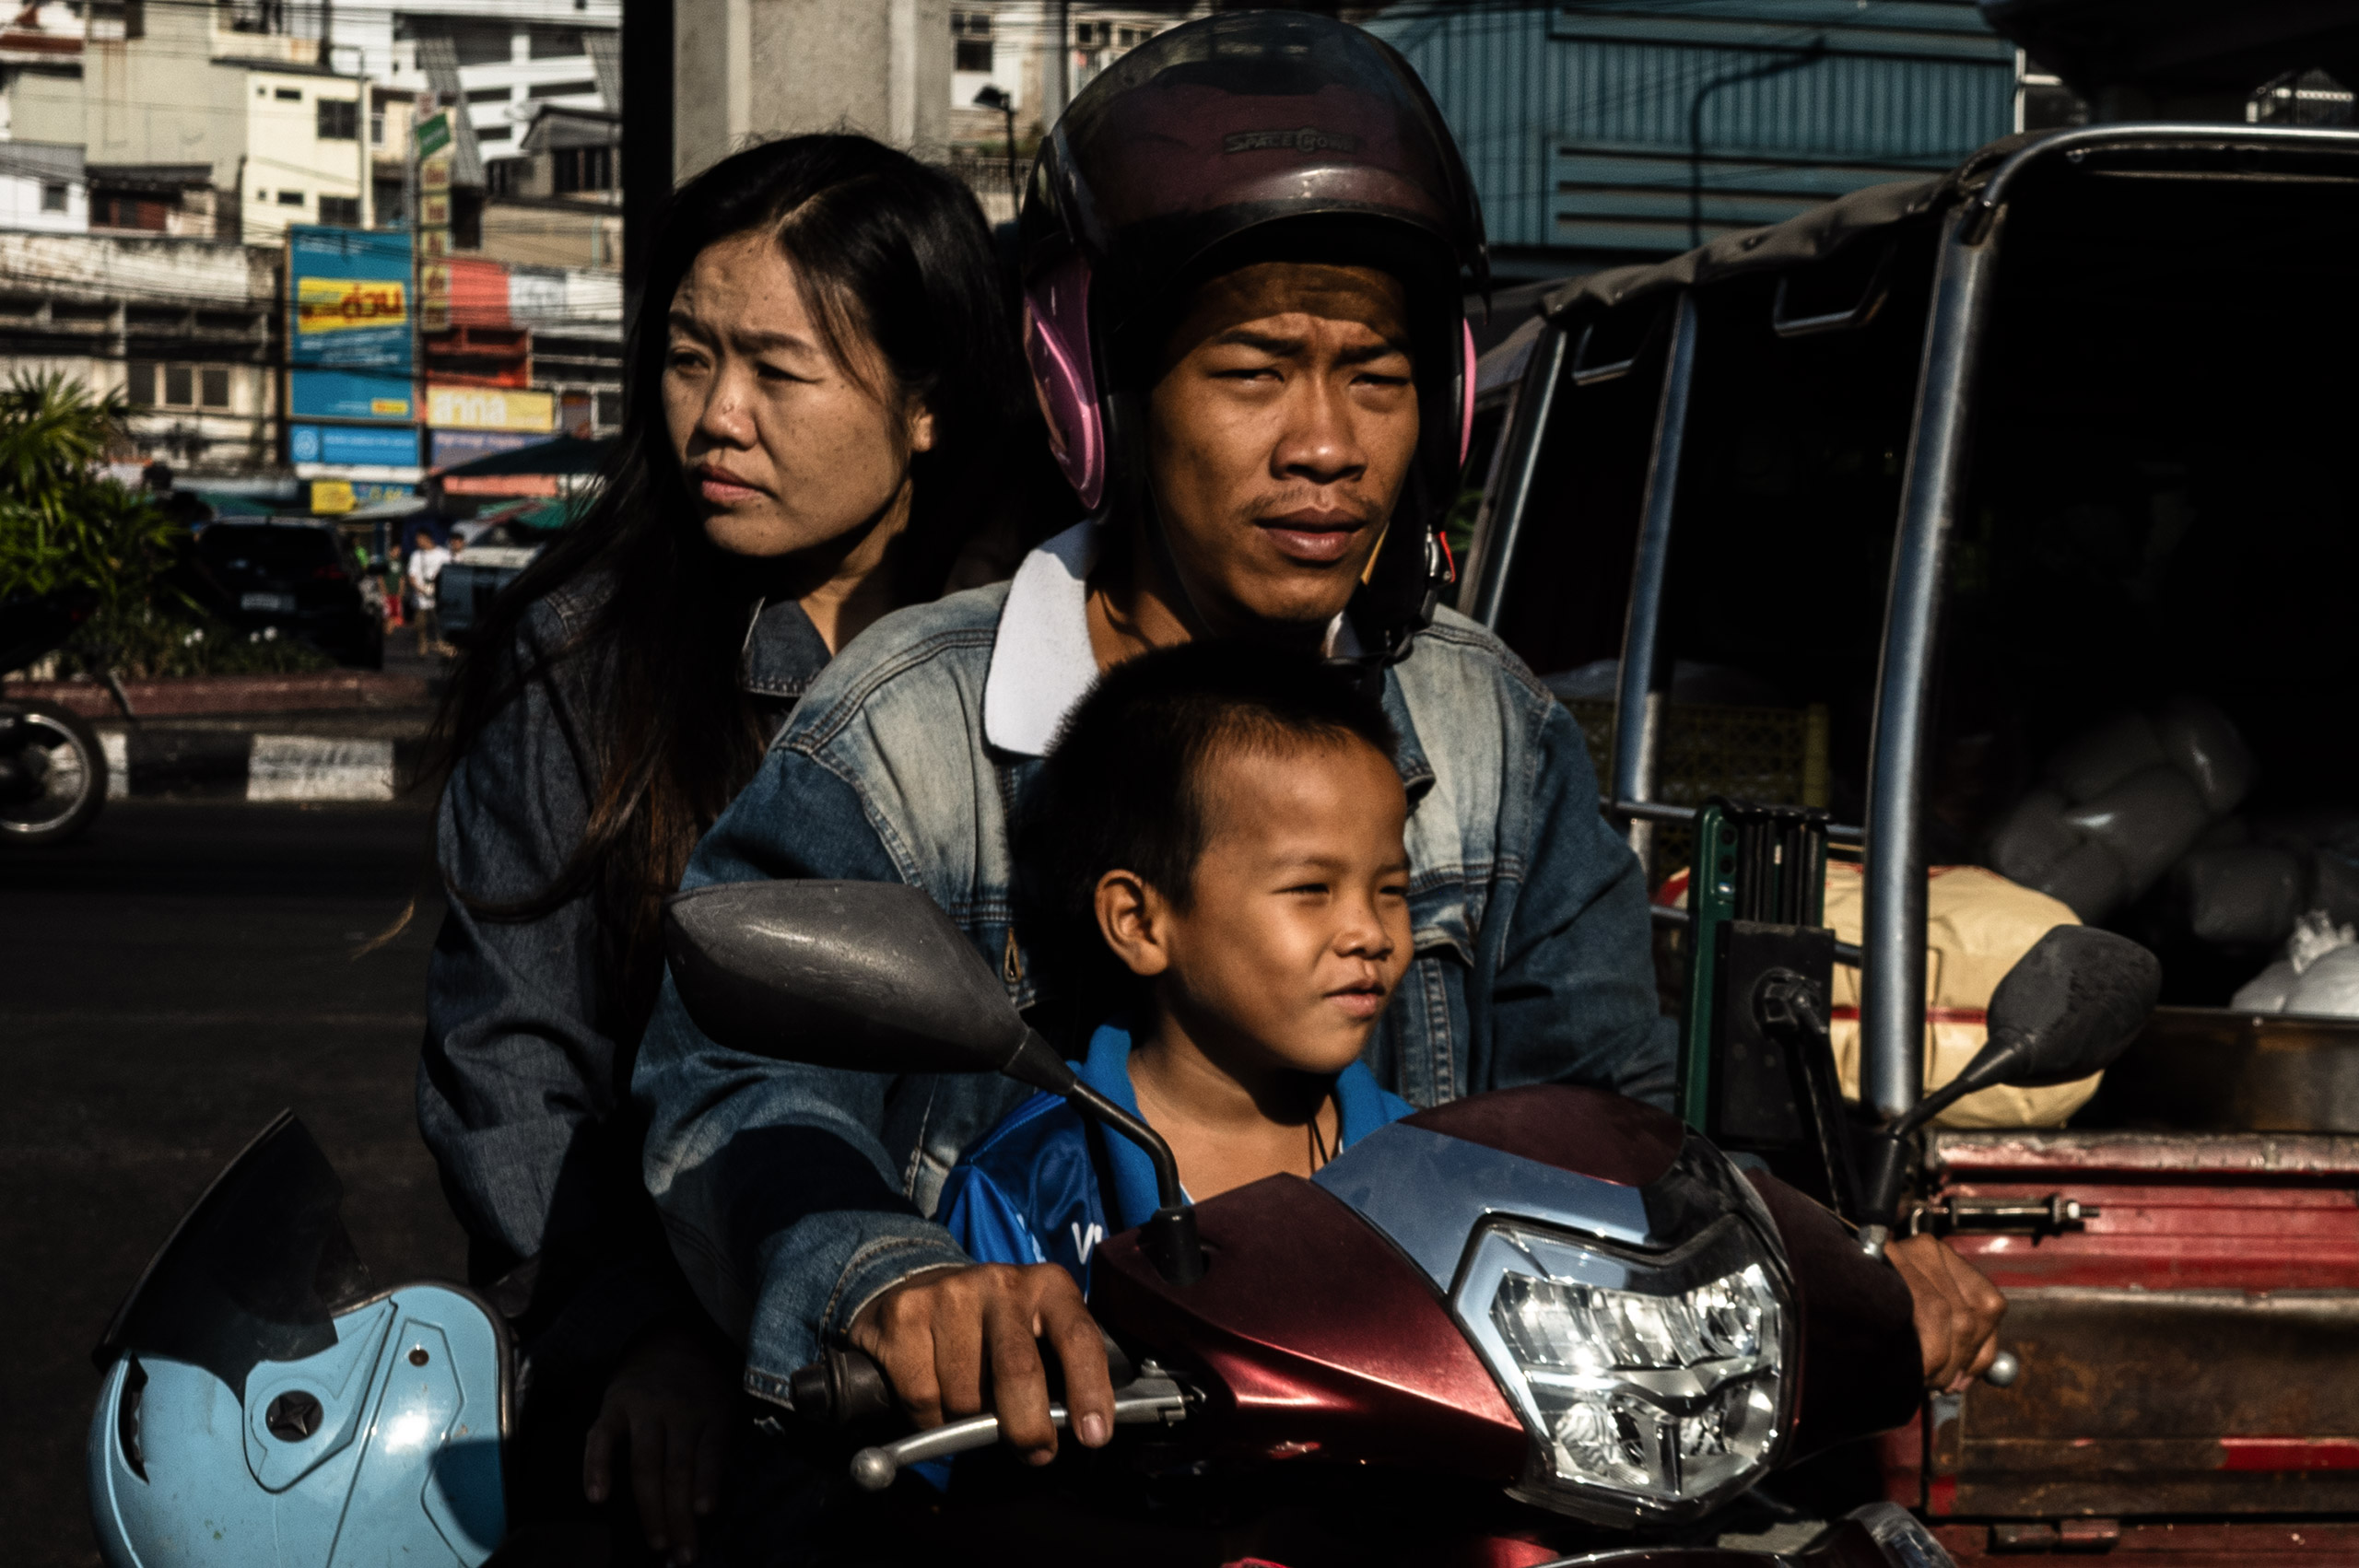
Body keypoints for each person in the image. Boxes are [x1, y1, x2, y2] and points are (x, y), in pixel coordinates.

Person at [633, 11, 2002, 1481]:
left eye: (1379, 377)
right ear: (1099, 398)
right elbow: (739, 1091)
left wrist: (1825, 1263)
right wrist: (889, 1280)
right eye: (1253, 372)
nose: (1327, 444)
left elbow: (1607, 1128)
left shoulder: (1485, 729)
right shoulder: (909, 732)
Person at [416, 134, 1027, 1566]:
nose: (718, 418)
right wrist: (638, 1335)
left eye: (777, 368)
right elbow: (515, 1067)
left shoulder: (1041, 656)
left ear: (927, 401)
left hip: (1027, 1377)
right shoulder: (587, 666)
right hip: (709, 1388)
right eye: (690, 358)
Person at [941, 643, 1417, 1286]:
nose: (1370, 932)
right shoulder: (1027, 1187)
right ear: (1138, 922)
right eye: (1312, 890)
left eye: (1392, 891)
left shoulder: (1434, 1172)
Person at [405, 525, 451, 655]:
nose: (417, 542)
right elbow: (411, 576)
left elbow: (447, 574)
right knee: (420, 624)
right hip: (420, 597)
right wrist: (419, 588)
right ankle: (422, 645)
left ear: (426, 538)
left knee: (439, 623)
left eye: (419, 539)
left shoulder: (443, 555)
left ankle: (441, 644)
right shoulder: (416, 555)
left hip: (437, 597)